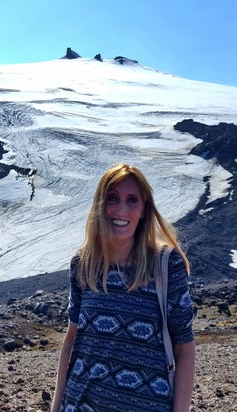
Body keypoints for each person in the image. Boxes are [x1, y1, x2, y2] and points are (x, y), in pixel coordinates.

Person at [51, 163, 195, 412]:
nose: (121, 209)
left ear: (144, 210)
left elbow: (184, 348)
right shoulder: (83, 264)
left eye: (132, 201)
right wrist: (56, 407)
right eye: (112, 199)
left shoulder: (166, 265)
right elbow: (73, 339)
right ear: (100, 205)